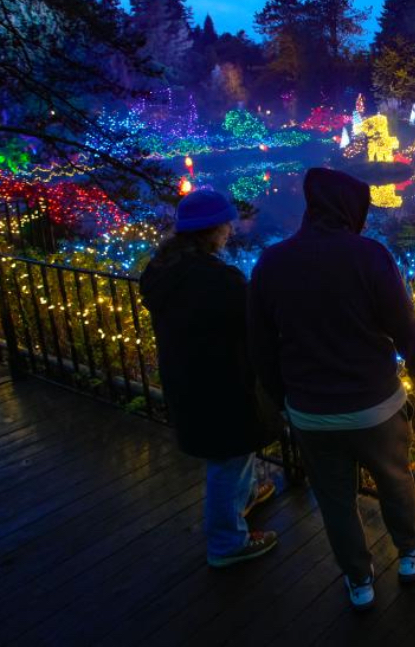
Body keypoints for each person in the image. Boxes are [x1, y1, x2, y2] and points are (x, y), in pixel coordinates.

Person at [248, 167, 415, 611]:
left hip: (311, 410)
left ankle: (359, 580)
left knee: (334, 499)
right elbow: (403, 324)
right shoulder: (368, 256)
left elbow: (260, 344)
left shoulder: (272, 263)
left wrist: (283, 398)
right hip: (374, 405)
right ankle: (409, 553)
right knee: (394, 481)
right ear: (351, 210)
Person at [140, 189, 278, 568]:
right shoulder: (217, 280)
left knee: (233, 451)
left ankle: (246, 496)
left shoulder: (164, 272)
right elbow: (254, 323)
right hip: (222, 382)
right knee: (227, 457)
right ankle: (226, 542)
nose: (230, 231)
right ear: (212, 229)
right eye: (226, 225)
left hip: (188, 378)